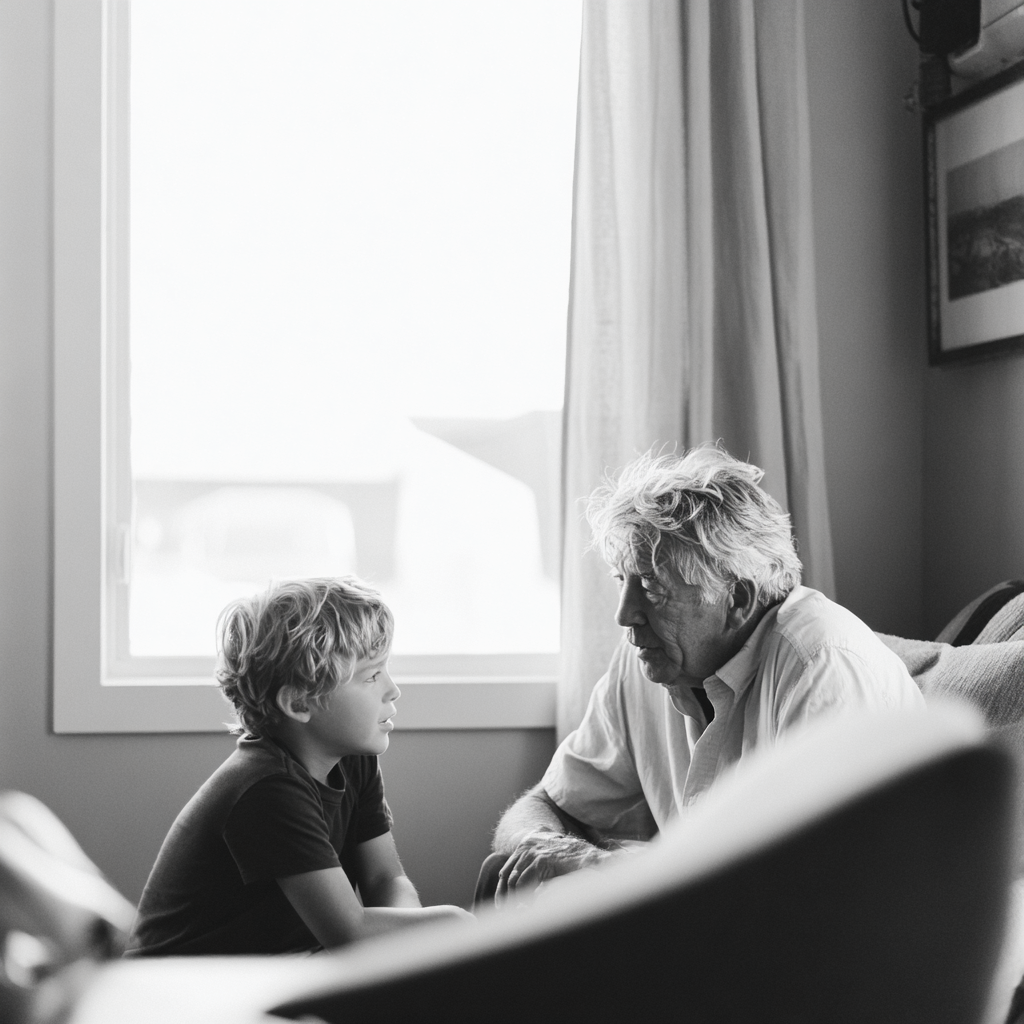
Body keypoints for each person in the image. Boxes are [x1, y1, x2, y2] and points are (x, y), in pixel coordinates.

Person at [492, 445, 924, 903]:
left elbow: (811, 884)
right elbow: (546, 804)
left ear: (737, 600)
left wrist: (601, 865)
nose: (624, 615)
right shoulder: (647, 661)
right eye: (623, 580)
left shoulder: (822, 666)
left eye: (653, 587)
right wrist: (540, 847)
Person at [126, 576, 472, 956]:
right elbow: (349, 931)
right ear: (299, 703)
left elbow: (385, 879)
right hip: (183, 984)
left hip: (278, 966)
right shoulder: (267, 789)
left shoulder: (353, 758)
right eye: (372, 676)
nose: (393, 689)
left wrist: (413, 945)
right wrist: (451, 924)